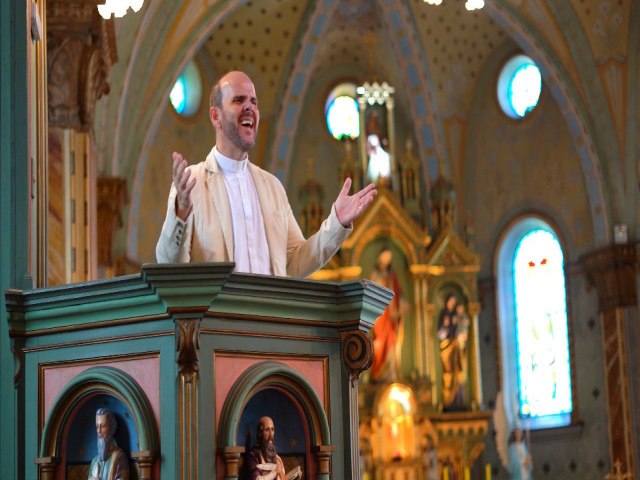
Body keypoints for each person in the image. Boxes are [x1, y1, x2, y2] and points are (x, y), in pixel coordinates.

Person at [156, 71, 377, 277]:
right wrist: (181, 214)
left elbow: (295, 262)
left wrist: (336, 223)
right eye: (238, 100)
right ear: (216, 116)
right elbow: (169, 266)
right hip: (214, 318)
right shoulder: (191, 182)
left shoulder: (272, 187)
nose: (249, 107)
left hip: (269, 318)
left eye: (254, 102)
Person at [369, 247, 403, 382]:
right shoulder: (375, 275)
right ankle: (378, 374)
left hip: (391, 315)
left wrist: (401, 305)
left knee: (392, 341)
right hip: (380, 314)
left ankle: (390, 372)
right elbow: (371, 292)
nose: (385, 262)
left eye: (388, 259)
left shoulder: (391, 275)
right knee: (380, 341)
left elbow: (398, 293)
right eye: (384, 258)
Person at [437, 294, 464, 410]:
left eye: (454, 302)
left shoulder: (454, 314)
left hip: (455, 344)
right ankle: (448, 399)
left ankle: (457, 398)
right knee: (447, 372)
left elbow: (461, 328)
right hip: (446, 346)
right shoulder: (443, 314)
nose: (452, 304)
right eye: (451, 301)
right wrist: (446, 325)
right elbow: (440, 333)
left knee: (457, 370)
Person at [88, 408, 129, 480]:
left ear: (111, 428)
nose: (99, 431)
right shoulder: (95, 461)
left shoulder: (119, 457)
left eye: (103, 426)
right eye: (97, 426)